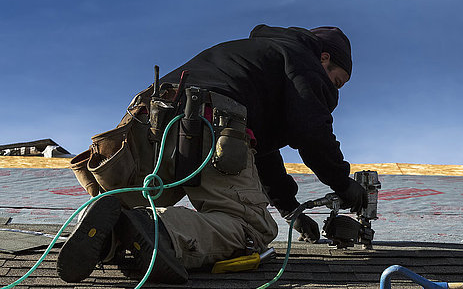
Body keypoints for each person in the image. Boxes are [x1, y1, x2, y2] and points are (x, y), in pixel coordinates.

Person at [57, 25, 367, 284]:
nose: (334, 91)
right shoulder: (302, 58)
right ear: (324, 57)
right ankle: (158, 229)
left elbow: (261, 153)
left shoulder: (255, 57)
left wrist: (291, 210)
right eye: (336, 81)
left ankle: (108, 236)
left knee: (131, 195)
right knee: (251, 229)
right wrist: (344, 185)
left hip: (148, 115)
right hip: (212, 118)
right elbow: (312, 129)